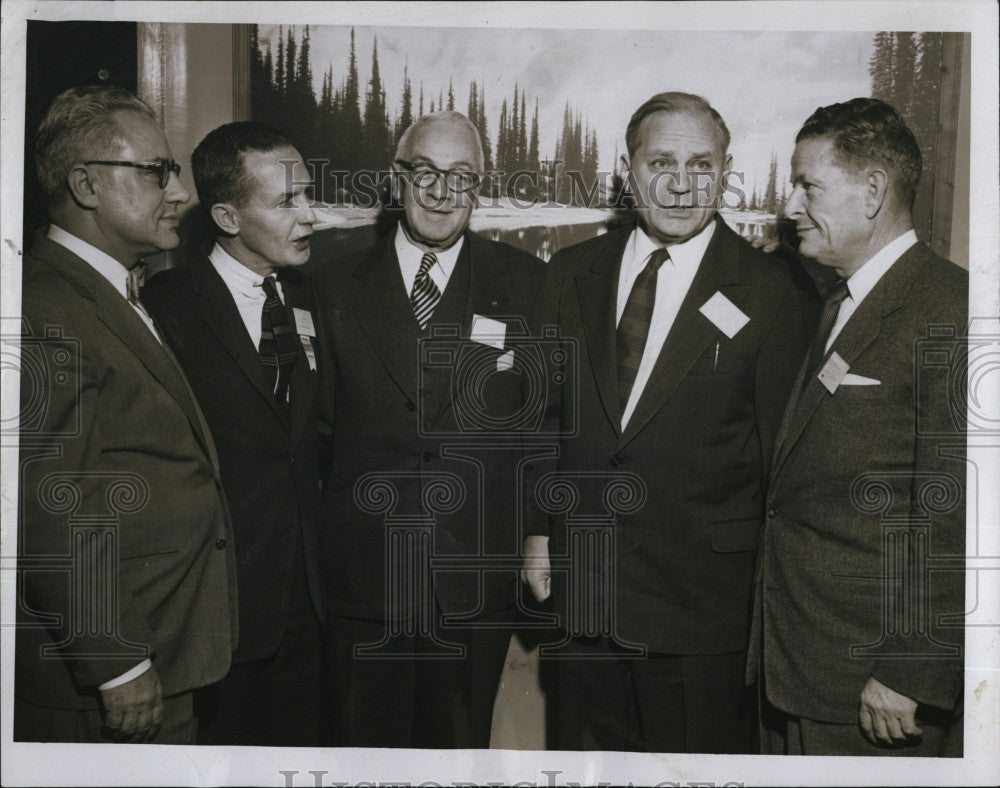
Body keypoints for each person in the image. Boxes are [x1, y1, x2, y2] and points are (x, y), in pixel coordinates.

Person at [522, 91, 817, 753]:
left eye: (702, 165)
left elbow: (786, 468)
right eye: (661, 164)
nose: (682, 186)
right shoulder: (570, 275)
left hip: (704, 613)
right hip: (585, 602)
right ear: (628, 173)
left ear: (725, 169)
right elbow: (543, 419)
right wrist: (539, 534)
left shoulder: (773, 291)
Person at [311, 111, 545, 748]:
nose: (442, 193)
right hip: (365, 578)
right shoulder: (331, 289)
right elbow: (320, 437)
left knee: (458, 755)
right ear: (397, 180)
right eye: (425, 173)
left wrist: (538, 538)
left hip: (474, 581)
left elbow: (539, 430)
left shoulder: (526, 284)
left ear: (480, 188)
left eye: (462, 177)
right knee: (361, 754)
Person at [15, 85, 237, 744]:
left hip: (165, 649)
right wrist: (115, 662)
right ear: (85, 184)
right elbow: (49, 502)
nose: (180, 192)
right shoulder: (43, 309)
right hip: (119, 676)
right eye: (156, 172)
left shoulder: (108, 292)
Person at [747, 97, 967, 756]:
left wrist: (909, 671)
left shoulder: (951, 311)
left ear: (872, 192)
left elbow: (958, 506)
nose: (790, 205)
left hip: (875, 692)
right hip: (802, 666)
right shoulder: (842, 300)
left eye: (808, 185)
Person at [142, 122, 324, 746]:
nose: (309, 217)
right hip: (216, 616)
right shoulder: (166, 308)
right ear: (226, 216)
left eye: (308, 195)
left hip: (309, 615)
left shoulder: (311, 297)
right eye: (285, 203)